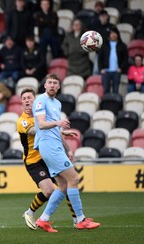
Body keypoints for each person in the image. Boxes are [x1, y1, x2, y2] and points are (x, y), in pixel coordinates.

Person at [32, 73, 101, 232]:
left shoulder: (57, 103)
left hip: (54, 143)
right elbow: (41, 125)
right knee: (74, 178)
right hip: (48, 145)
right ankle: (80, 219)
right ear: (45, 85)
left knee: (63, 185)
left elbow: (51, 126)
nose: (51, 85)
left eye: (55, 83)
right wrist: (58, 123)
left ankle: (43, 220)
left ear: (58, 87)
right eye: (49, 82)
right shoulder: (40, 100)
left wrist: (62, 133)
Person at [18, 88, 76, 230]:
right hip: (33, 162)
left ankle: (77, 219)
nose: (27, 100)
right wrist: (56, 126)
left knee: (68, 184)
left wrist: (67, 149)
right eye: (24, 98)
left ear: (35, 100)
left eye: (29, 98)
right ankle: (29, 212)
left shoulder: (42, 116)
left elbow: (50, 130)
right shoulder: (22, 121)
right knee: (49, 191)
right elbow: (35, 130)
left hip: (47, 157)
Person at [98, 27, 128, 94]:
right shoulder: (104, 46)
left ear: (117, 35)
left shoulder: (122, 46)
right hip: (106, 71)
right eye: (112, 33)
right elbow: (100, 58)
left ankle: (115, 104)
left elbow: (125, 59)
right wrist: (101, 69)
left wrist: (121, 68)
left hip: (116, 71)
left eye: (115, 33)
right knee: (106, 90)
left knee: (116, 90)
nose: (113, 35)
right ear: (109, 35)